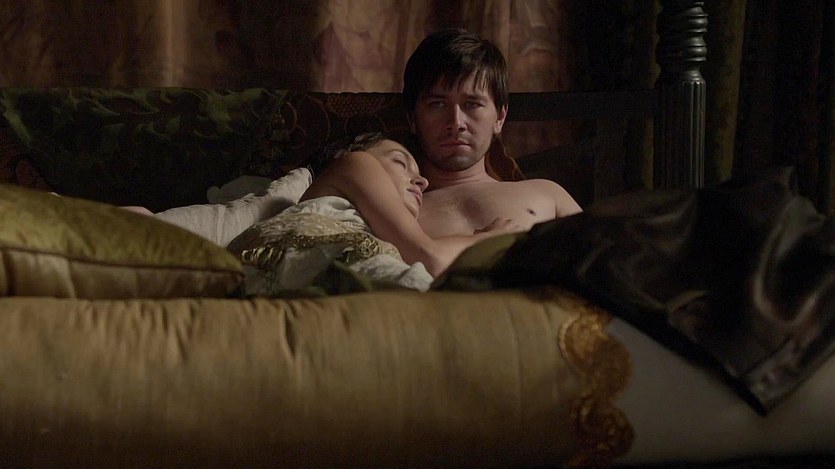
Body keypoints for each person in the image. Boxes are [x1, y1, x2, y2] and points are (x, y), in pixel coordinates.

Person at [226, 132, 519, 294]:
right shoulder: (356, 162)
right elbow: (431, 258)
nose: (422, 181)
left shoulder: (374, 231)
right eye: (400, 163)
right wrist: (488, 237)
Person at [402, 28, 582, 239]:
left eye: (472, 104)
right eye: (438, 104)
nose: (456, 123)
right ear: (412, 118)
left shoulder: (548, 194)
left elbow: (600, 254)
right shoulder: (392, 210)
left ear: (500, 118)